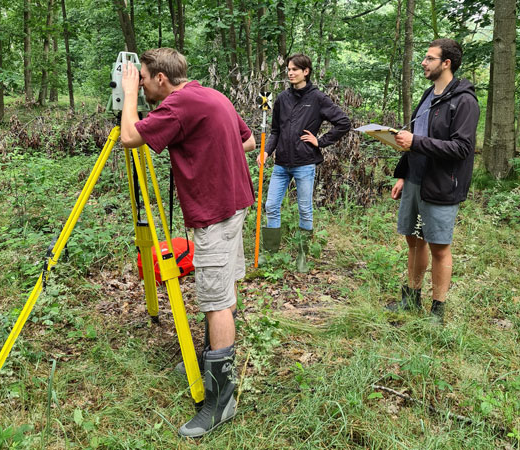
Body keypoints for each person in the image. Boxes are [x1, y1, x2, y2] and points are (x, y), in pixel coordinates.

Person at [120, 48, 256, 438]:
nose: (142, 84)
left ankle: (221, 400)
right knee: (223, 291)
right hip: (234, 205)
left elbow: (131, 136)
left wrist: (128, 95)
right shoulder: (211, 95)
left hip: (215, 212)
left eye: (143, 78)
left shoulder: (178, 105)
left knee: (214, 303)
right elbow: (246, 142)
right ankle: (209, 360)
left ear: (161, 78)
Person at [387, 39, 479, 324]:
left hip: (441, 183)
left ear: (446, 63)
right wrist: (403, 174)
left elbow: (462, 148)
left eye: (429, 58)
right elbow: (416, 137)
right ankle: (411, 298)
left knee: (439, 246)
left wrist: (417, 141)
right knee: (413, 240)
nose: (424, 63)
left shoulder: (464, 101)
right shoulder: (429, 95)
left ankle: (437, 311)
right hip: (415, 179)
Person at [257, 53, 351, 272]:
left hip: (305, 163)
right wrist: (267, 151)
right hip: (281, 164)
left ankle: (302, 256)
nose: (290, 73)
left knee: (305, 210)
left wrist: (320, 141)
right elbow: (275, 131)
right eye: (288, 69)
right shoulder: (282, 98)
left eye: (295, 70)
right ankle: (271, 255)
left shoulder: (317, 98)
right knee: (271, 206)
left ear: (306, 71)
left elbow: (343, 122)